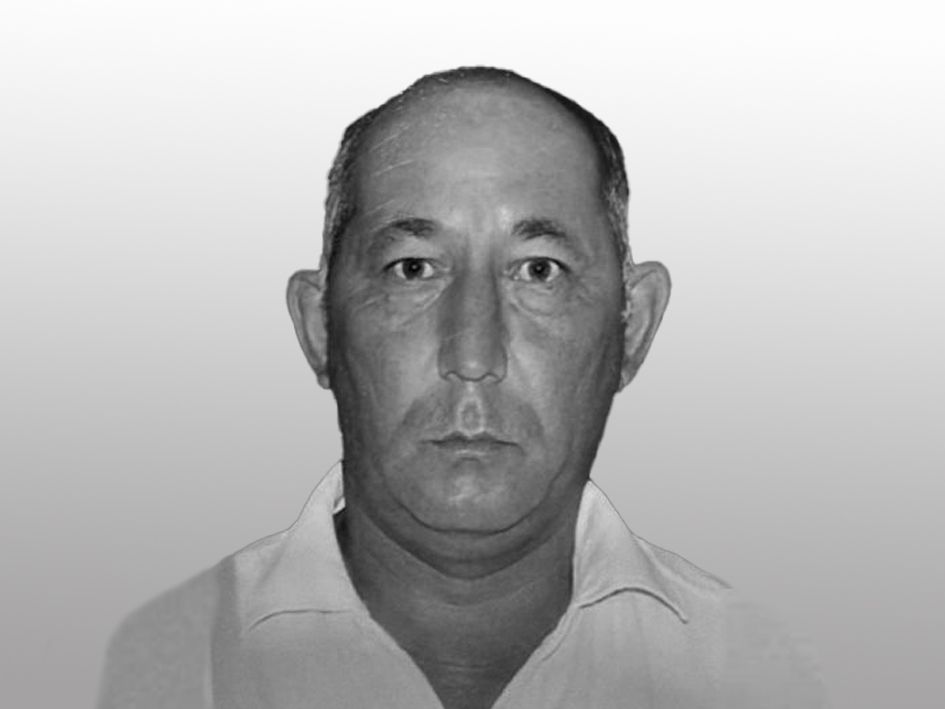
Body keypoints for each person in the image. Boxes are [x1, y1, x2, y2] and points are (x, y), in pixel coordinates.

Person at [97, 66, 826, 709]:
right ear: (320, 326)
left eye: (538, 271)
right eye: (413, 268)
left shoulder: (758, 677)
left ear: (631, 325)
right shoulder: (165, 666)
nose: (473, 355)